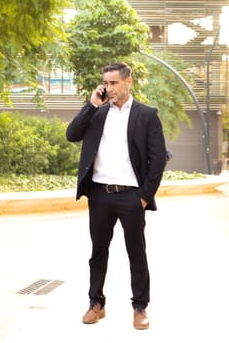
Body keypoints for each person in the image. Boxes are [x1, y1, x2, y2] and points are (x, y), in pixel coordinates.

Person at [66, 62, 167, 330]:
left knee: (136, 252)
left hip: (131, 196)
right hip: (99, 194)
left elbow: (158, 159)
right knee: (98, 252)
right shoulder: (97, 113)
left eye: (114, 83)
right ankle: (96, 303)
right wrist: (91, 105)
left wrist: (145, 196)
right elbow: (71, 134)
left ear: (128, 82)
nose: (109, 88)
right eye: (106, 83)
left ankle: (140, 307)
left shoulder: (146, 115)